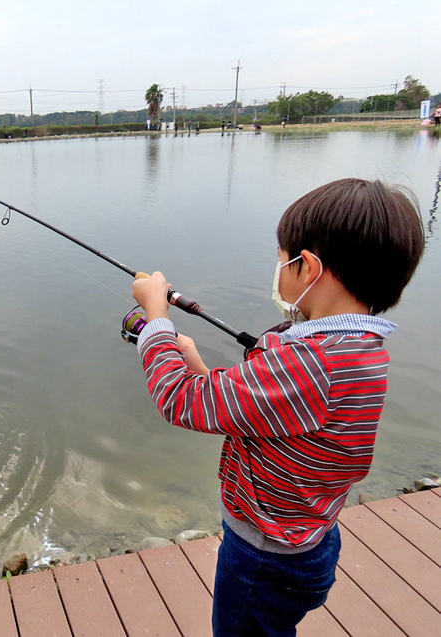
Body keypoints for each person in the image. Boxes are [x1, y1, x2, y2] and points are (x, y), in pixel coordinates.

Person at [131, 178, 424, 637]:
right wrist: (195, 363)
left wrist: (156, 320)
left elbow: (178, 400)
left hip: (264, 558)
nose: (279, 270)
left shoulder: (312, 362)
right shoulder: (359, 348)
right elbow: (278, 421)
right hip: (310, 540)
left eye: (282, 260)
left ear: (307, 266)